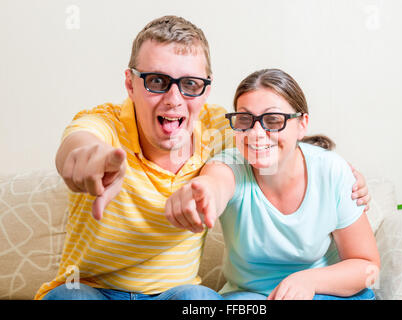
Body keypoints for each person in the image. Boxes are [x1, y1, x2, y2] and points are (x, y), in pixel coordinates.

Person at [35, 16, 370, 300]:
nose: (174, 99)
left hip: (176, 293)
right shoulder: (103, 124)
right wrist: (86, 161)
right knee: (69, 296)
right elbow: (77, 145)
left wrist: (343, 174)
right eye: (156, 81)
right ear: (130, 84)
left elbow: (266, 143)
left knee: (200, 299)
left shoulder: (220, 129)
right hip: (95, 290)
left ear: (206, 90)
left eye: (190, 84)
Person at [164, 68, 380, 300]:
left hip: (324, 294)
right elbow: (216, 183)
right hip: (252, 298)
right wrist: (204, 194)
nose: (256, 133)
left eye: (273, 120)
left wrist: (306, 281)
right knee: (191, 296)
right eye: (245, 120)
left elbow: (367, 266)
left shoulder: (332, 171)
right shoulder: (229, 164)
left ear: (302, 124)